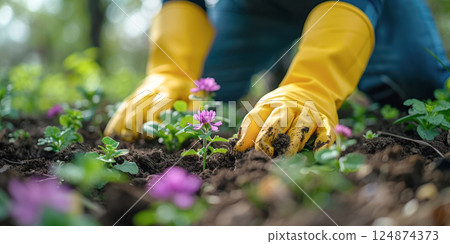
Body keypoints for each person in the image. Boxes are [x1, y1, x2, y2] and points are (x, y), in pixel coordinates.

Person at [105, 0, 450, 157]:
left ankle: (301, 74)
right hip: (257, 7)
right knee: (210, 91)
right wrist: (170, 71)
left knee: (418, 84)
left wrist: (312, 85)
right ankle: (281, 73)